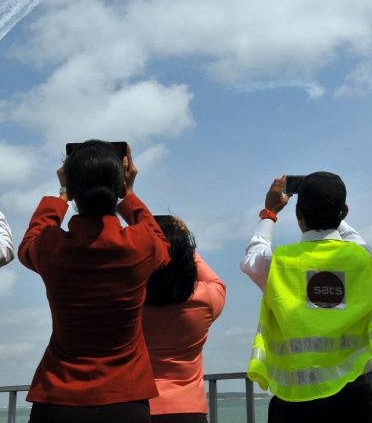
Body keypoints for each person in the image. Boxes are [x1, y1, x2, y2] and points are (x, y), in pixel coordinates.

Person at [18, 140, 171, 423]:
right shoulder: (142, 245)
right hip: (126, 400)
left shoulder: (51, 247)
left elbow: (28, 244)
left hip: (58, 398)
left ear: (74, 189)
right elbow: (161, 244)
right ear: (119, 185)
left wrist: (62, 195)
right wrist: (130, 194)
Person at [241, 171, 372, 423]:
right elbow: (357, 242)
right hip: (354, 401)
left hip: (294, 401)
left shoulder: (277, 264)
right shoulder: (367, 260)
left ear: (298, 215)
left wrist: (270, 212)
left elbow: (253, 256)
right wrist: (331, 207)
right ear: (345, 212)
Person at [139, 215, 226, 423]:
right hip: (190, 411)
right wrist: (180, 242)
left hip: (141, 407)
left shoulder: (130, 304)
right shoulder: (206, 300)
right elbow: (216, 281)